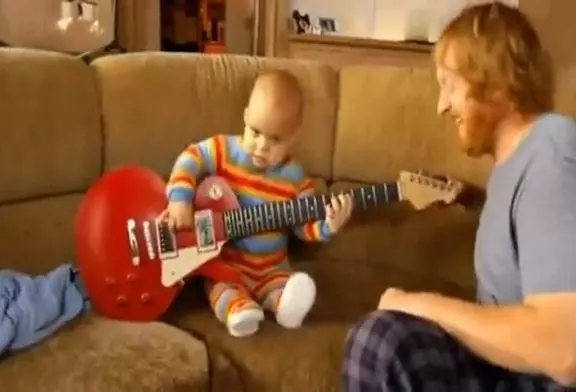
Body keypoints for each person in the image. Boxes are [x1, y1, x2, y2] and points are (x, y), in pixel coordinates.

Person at [343, 2, 576, 391]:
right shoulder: (512, 169)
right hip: (503, 372)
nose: (441, 105)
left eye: (449, 85)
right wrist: (471, 200)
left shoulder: (552, 148)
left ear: (496, 80)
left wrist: (416, 303)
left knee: (381, 342)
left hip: (539, 381)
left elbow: (563, 346)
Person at [162, 70, 354, 338]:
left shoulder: (296, 179)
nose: (261, 146)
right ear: (245, 117)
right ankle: (239, 312)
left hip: (271, 268)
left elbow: (303, 227)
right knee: (221, 288)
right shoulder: (224, 150)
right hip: (225, 264)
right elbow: (191, 157)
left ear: (294, 137)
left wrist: (328, 226)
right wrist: (180, 199)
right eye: (255, 131)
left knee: (283, 286)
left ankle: (284, 307)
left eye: (275, 139)